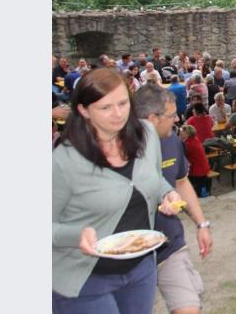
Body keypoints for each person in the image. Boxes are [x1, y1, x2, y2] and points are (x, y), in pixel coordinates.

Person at [53, 68, 182, 312]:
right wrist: (75, 235)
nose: (118, 114)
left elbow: (153, 179)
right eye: (106, 107)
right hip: (84, 277)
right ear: (83, 110)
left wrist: (166, 194)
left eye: (123, 103)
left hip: (141, 268)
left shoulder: (146, 134)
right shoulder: (62, 161)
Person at [134, 84, 213, 314]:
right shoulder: (122, 147)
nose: (178, 118)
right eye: (171, 115)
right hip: (133, 252)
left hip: (169, 245)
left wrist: (202, 224)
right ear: (152, 118)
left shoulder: (172, 141)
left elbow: (181, 181)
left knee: (190, 307)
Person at [179, 125, 212, 196]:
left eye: (182, 132)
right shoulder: (194, 139)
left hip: (197, 170)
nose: (180, 133)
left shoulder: (188, 144)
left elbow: (180, 155)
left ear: (187, 134)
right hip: (203, 168)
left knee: (183, 180)